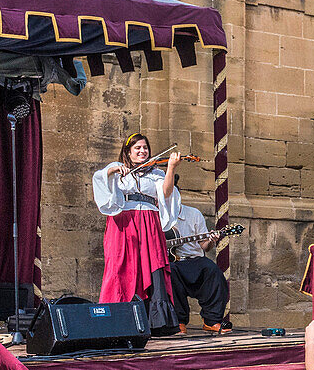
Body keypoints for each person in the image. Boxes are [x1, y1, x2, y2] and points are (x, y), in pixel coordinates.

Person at [92, 133, 181, 334]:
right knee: (121, 265)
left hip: (149, 222)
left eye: (145, 148)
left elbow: (166, 193)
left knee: (152, 266)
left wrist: (171, 168)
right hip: (123, 223)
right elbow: (99, 178)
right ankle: (116, 321)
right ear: (128, 152)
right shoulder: (116, 170)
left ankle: (156, 322)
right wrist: (114, 170)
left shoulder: (156, 173)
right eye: (137, 148)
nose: (142, 152)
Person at [167, 193, 231, 335]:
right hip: (172, 261)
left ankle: (211, 321)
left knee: (214, 272)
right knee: (169, 273)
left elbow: (204, 246)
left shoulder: (193, 214)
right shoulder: (156, 215)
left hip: (194, 259)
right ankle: (179, 322)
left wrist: (211, 240)